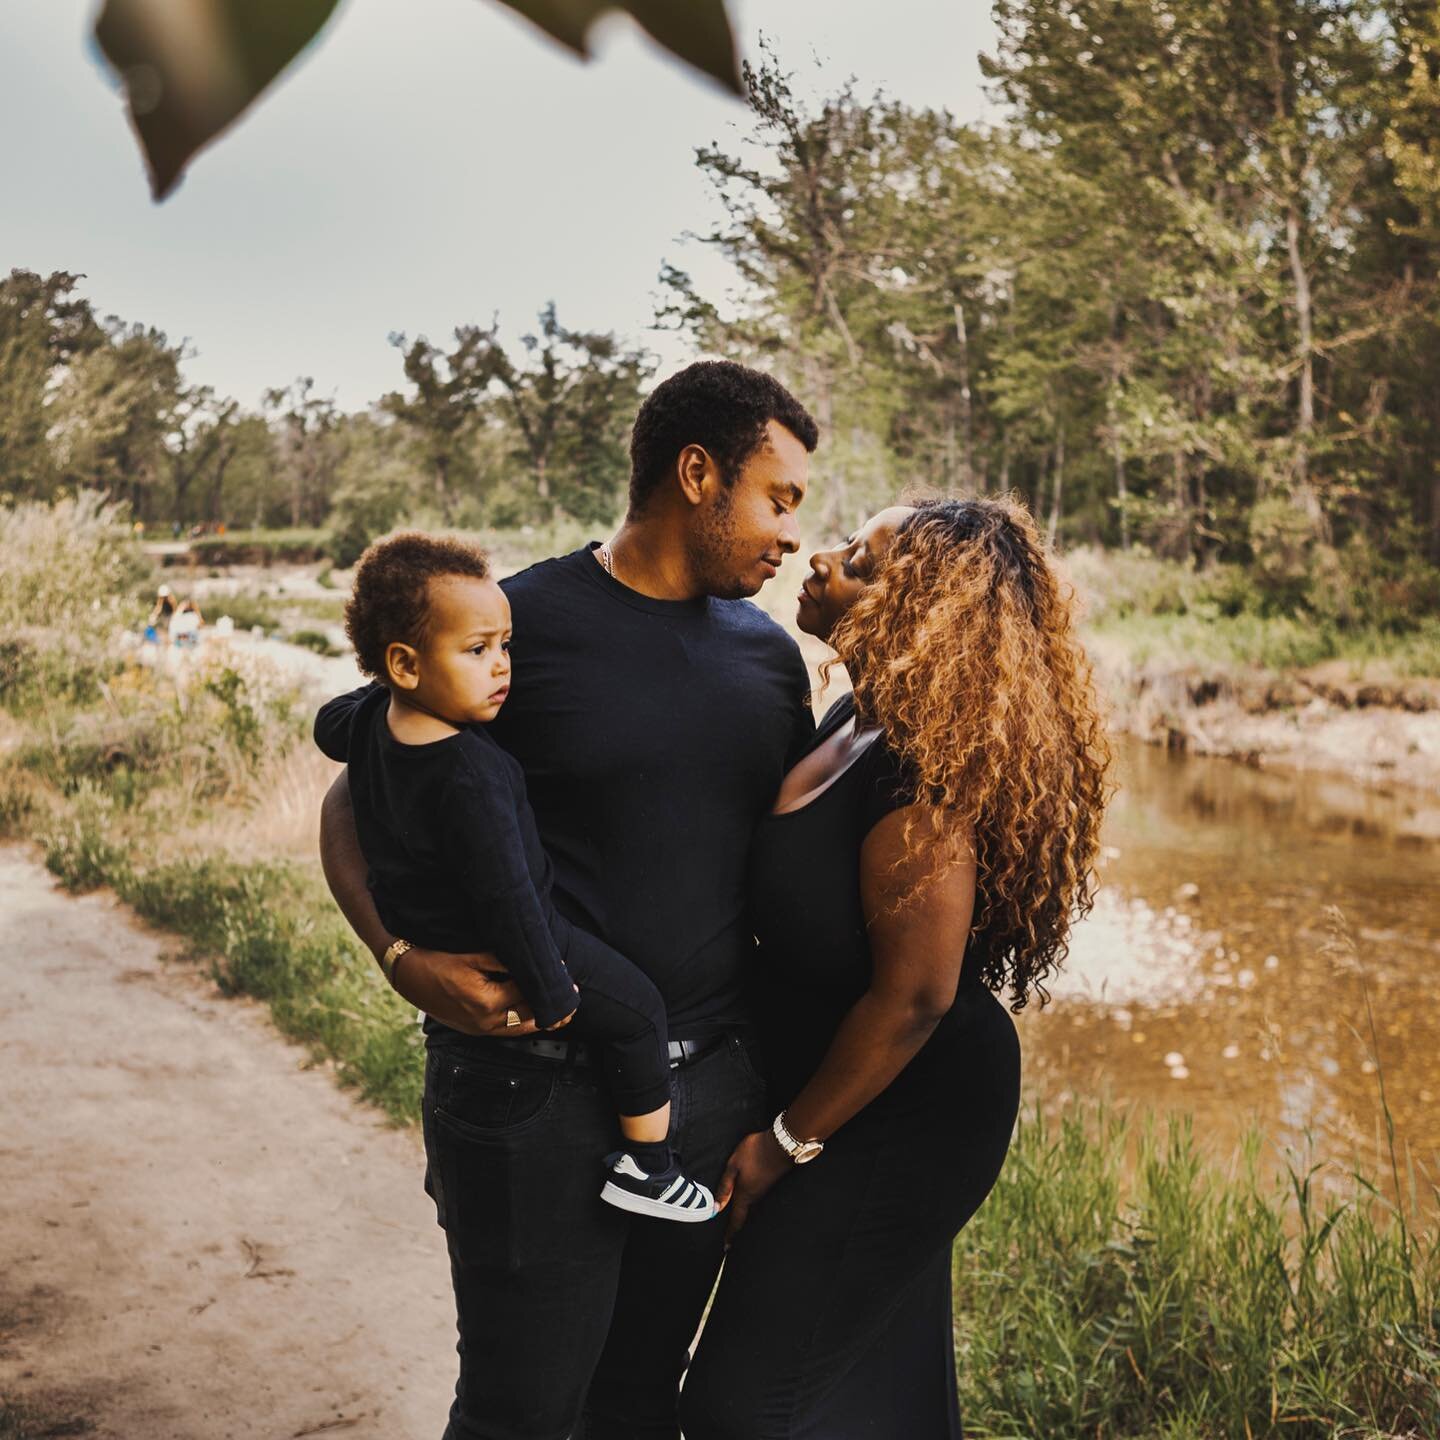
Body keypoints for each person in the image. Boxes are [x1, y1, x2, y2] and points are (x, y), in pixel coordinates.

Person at [314, 360, 819, 1440]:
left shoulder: (775, 665)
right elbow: (359, 797)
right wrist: (397, 954)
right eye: (777, 499)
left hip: (702, 1105)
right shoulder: (512, 627)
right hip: (530, 1094)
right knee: (522, 1412)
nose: (789, 534)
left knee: (637, 1406)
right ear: (697, 475)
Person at [680, 496, 1112, 1440]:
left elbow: (916, 997)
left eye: (863, 563)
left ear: (920, 611)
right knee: (881, 1383)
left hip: (906, 1108)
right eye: (847, 546)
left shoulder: (919, 774)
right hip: (844, 1086)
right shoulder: (851, 717)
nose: (824, 560)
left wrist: (782, 1146)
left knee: (738, 1407)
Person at [326, 530, 716, 1220]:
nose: (504, 667)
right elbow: (508, 893)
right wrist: (551, 988)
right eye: (476, 651)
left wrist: (379, 691)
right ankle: (648, 1166)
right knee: (637, 1012)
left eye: (505, 646)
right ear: (407, 664)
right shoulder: (472, 773)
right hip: (518, 945)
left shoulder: (374, 725)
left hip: (429, 925)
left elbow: (330, 724)